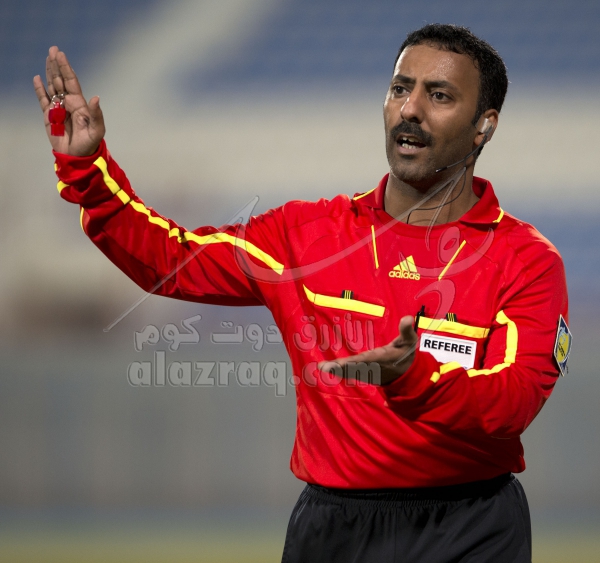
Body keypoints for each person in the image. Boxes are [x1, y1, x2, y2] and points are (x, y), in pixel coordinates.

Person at [34, 23, 569, 563]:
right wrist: (88, 170)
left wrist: (415, 379)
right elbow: (171, 261)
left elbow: (514, 401)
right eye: (400, 88)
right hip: (332, 531)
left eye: (439, 95)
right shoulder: (305, 236)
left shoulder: (527, 261)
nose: (410, 109)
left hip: (471, 529)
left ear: (484, 126)